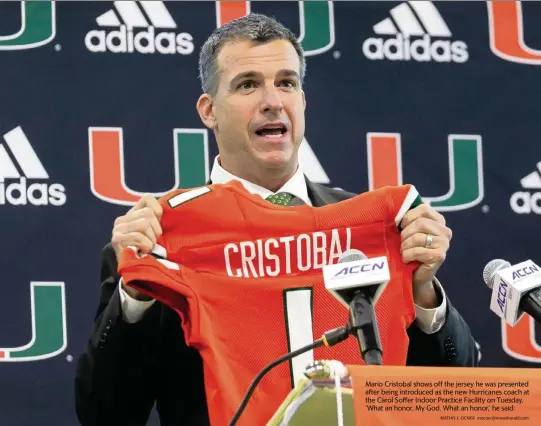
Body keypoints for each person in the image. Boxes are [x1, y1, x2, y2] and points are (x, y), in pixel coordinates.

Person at [74, 13, 478, 426]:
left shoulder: (372, 230)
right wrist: (137, 289)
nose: (273, 100)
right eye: (248, 84)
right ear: (209, 110)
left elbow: (453, 393)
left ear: (302, 102)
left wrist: (424, 291)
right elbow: (106, 414)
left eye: (286, 82)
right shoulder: (163, 237)